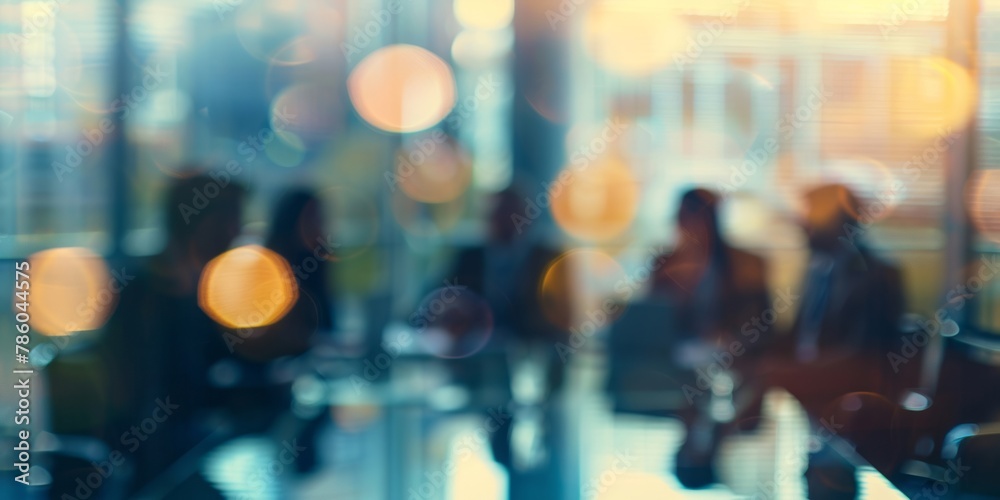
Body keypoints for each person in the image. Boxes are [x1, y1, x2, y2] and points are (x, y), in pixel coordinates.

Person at [99, 172, 246, 495]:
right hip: (158, 461)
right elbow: (141, 400)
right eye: (232, 219)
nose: (238, 233)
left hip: (186, 446)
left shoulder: (198, 287)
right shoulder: (146, 294)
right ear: (202, 222)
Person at [764, 183, 907, 498]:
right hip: (811, 407)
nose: (801, 225)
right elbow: (796, 339)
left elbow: (863, 361)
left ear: (834, 219)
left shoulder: (875, 275)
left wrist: (787, 374)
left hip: (850, 416)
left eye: (809, 216)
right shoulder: (818, 269)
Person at [650, 188, 770, 488]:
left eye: (695, 219)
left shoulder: (749, 263)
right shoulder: (665, 263)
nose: (686, 226)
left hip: (734, 371)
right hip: (677, 372)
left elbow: (765, 324)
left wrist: (730, 340)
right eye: (682, 219)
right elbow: (651, 325)